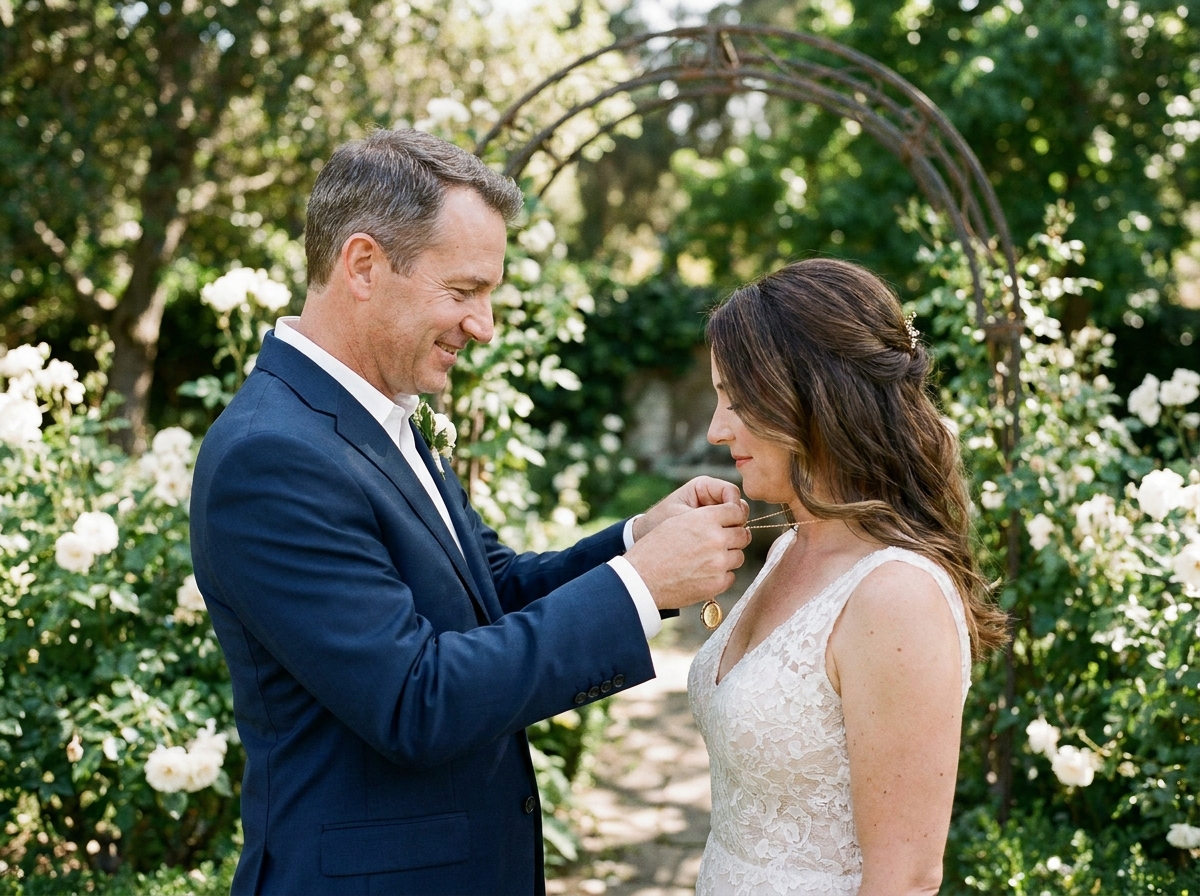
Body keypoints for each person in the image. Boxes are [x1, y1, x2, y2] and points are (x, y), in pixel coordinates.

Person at [189, 128, 751, 896]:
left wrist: (633, 541)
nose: (483, 326)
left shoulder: (382, 416)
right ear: (363, 265)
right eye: (464, 292)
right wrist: (641, 587)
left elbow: (492, 591)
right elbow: (413, 701)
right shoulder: (271, 456)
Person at [688, 257, 1008, 895]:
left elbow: (907, 880)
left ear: (814, 396)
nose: (716, 429)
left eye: (737, 398)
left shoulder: (895, 597)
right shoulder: (789, 548)